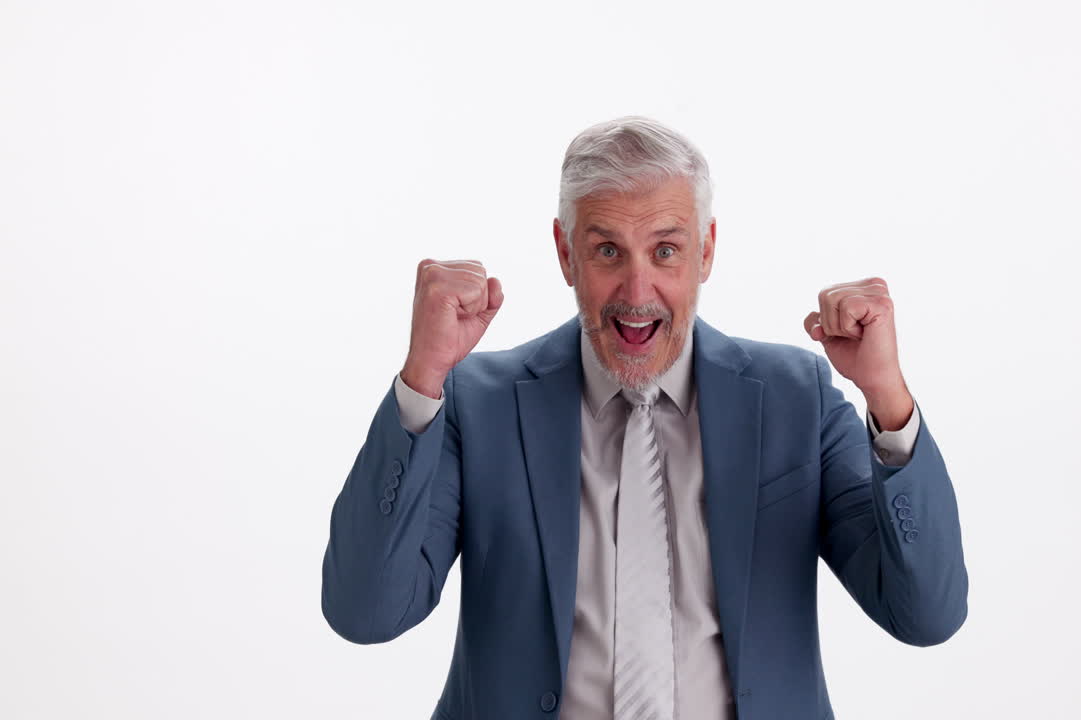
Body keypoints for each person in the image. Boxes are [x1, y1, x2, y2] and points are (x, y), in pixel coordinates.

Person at [321, 116, 968, 720]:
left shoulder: (795, 396)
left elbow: (926, 614)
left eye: (665, 251)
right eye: (607, 251)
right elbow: (365, 611)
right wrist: (423, 378)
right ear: (565, 252)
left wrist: (886, 396)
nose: (636, 293)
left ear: (706, 251)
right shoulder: (480, 403)